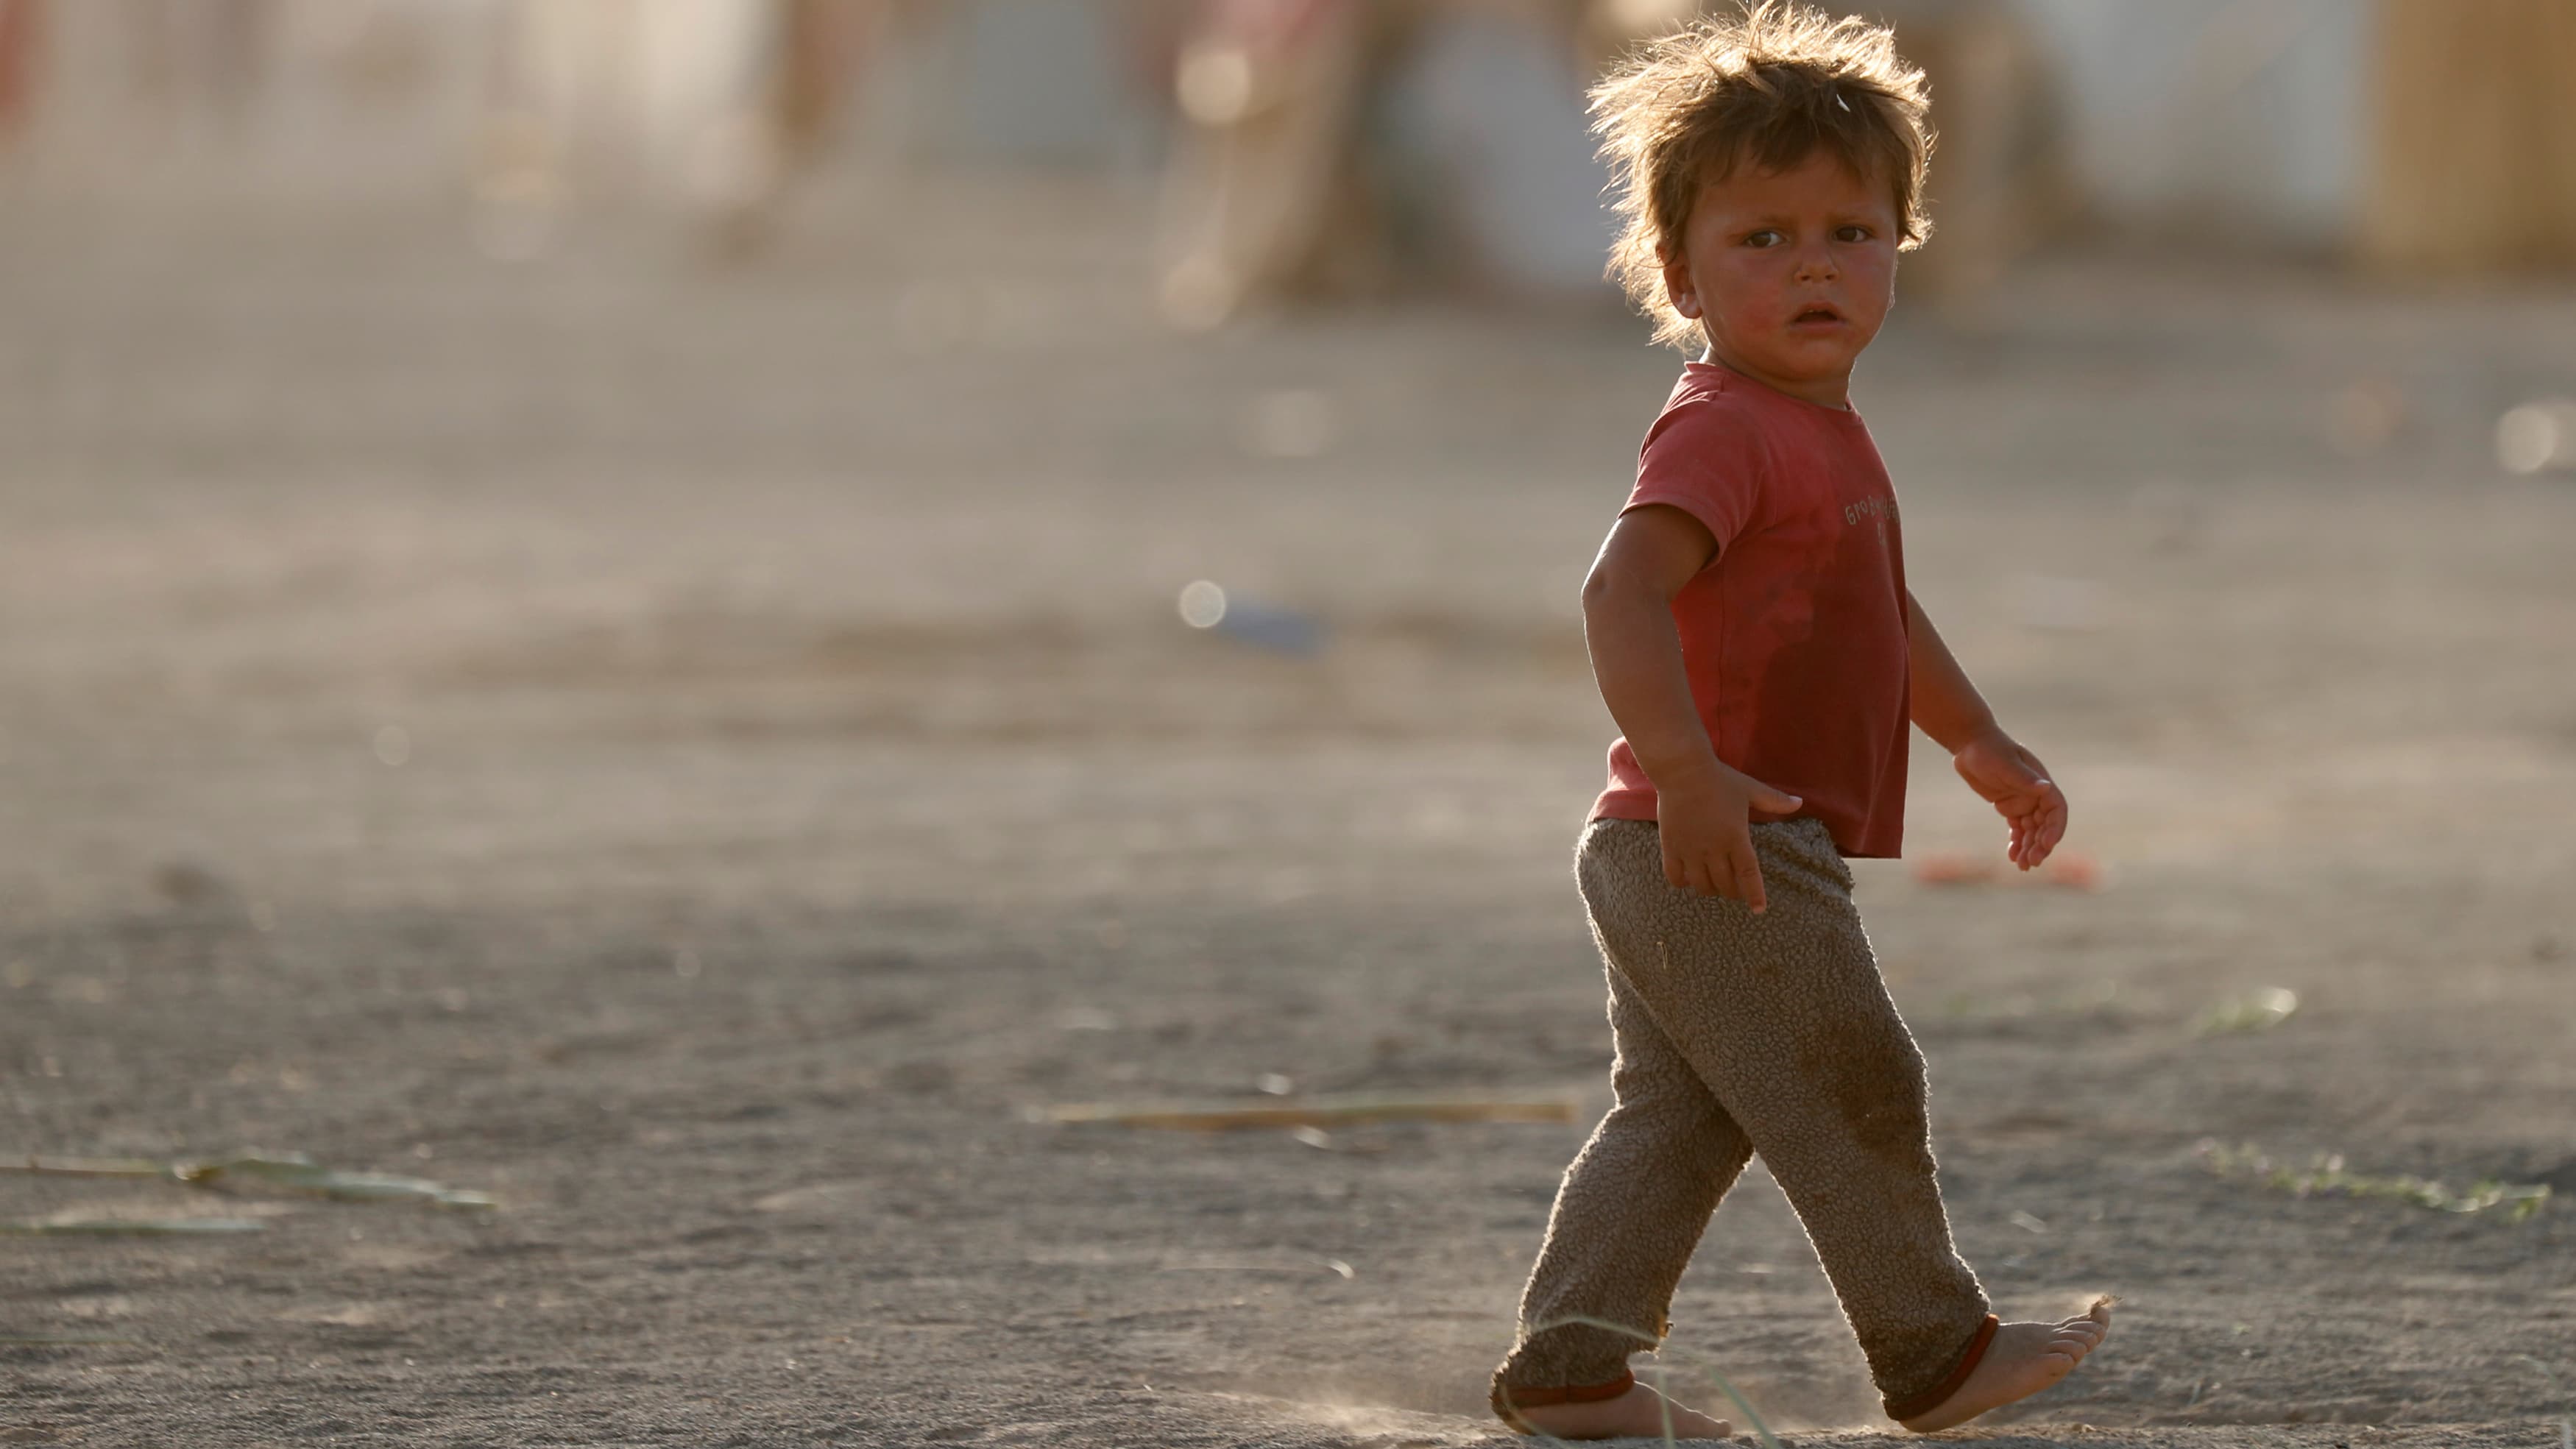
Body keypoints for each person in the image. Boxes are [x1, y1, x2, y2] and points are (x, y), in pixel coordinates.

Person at [1485, 4, 2110, 1438]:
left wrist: (1977, 741)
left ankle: (1571, 1374)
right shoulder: (1722, 428)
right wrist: (1694, 776)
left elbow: (1878, 613)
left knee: (1685, 1116)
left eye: (1850, 230)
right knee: (1855, 1075)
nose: (1812, 262)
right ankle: (1935, 1353)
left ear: (1903, 242)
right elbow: (1616, 594)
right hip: (1715, 833)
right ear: (1677, 275)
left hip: (1683, 839)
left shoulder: (1819, 426)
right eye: (1760, 238)